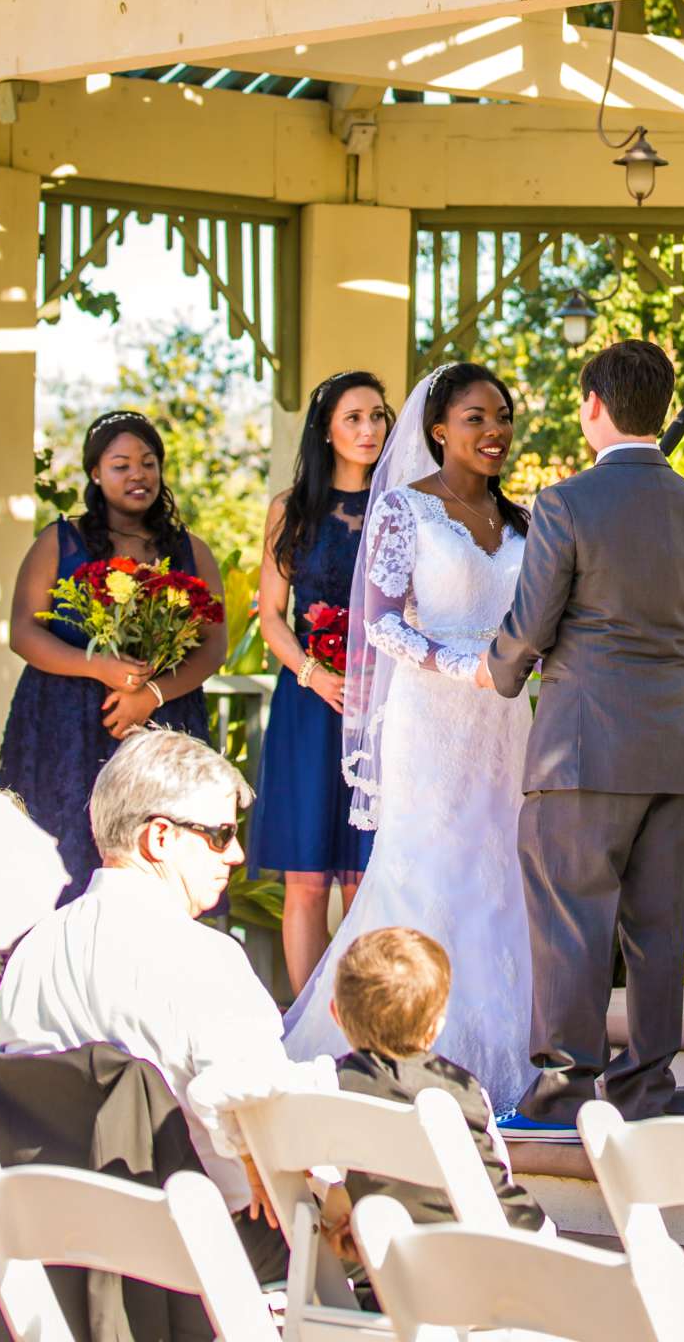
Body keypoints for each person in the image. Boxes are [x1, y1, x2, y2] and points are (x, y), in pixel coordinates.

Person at [483, 339, 684, 1128]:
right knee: (659, 930)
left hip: (581, 748)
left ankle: (562, 1091)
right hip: (671, 751)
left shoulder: (565, 505)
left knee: (570, 922)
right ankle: (647, 1090)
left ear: (594, 405)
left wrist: (499, 671)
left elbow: (528, 630)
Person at [282, 363, 534, 1113]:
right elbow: (381, 622)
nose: (493, 432)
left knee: (501, 880)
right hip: (433, 717)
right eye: (475, 419)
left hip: (506, 722)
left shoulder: (525, 521)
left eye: (502, 417)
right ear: (437, 430)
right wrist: (465, 667)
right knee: (427, 871)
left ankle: (499, 1057)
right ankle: (394, 1049)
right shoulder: (404, 511)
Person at [0, 727, 292, 1281]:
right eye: (220, 834)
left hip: (61, 1256)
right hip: (198, 1258)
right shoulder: (206, 959)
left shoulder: (33, 951)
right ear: (159, 838)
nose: (237, 853)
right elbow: (277, 1132)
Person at [0, 412, 228, 900]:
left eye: (147, 463)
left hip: (163, 721)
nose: (137, 474)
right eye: (121, 465)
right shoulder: (60, 541)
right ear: (95, 474)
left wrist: (152, 695)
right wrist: (96, 665)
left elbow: (214, 645)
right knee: (63, 860)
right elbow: (23, 631)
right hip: (67, 727)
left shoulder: (190, 550)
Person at [251, 371, 391, 994]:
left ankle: (363, 1024)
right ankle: (304, 1022)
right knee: (307, 876)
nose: (369, 429)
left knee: (366, 875)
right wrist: (313, 674)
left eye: (378, 416)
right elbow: (270, 616)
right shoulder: (291, 509)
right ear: (327, 430)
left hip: (381, 706)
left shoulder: (401, 504)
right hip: (309, 707)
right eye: (354, 417)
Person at [317, 925, 546, 1303]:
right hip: (481, 1279)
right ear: (437, 1025)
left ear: (335, 1014)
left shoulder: (325, 1084)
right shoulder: (466, 1093)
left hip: (382, 1287)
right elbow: (496, 1179)